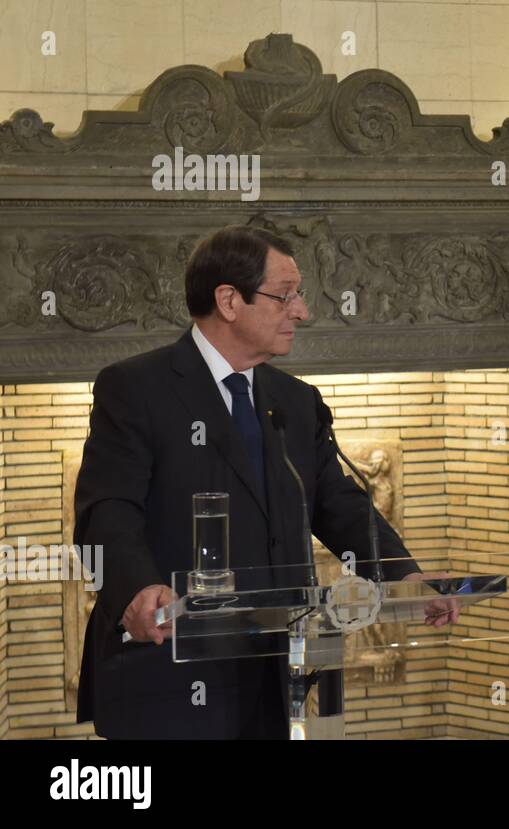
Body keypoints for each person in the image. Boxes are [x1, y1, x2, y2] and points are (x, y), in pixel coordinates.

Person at [73, 225, 455, 739]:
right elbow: (108, 508)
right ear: (229, 300)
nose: (301, 311)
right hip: (168, 671)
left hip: (272, 673)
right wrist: (138, 587)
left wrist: (402, 575)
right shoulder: (136, 387)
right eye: (285, 296)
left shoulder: (295, 400)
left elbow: (336, 501)